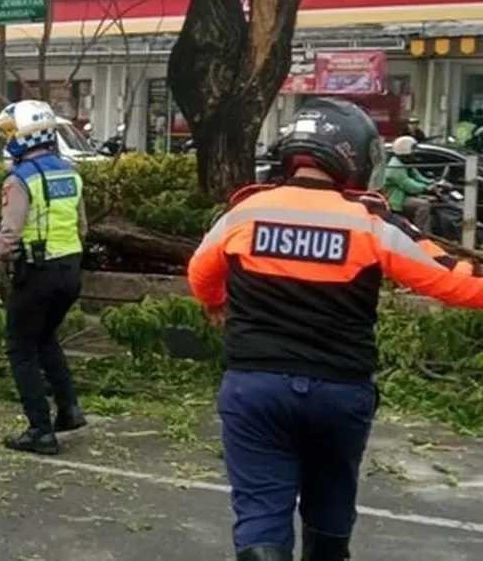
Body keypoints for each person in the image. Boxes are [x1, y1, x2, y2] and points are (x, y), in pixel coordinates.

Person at [187, 97, 483, 561]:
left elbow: (200, 273)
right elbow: (453, 282)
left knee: (262, 512)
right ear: (354, 157)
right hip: (339, 392)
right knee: (330, 507)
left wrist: (215, 301)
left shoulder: (244, 213)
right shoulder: (369, 221)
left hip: (255, 388)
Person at [0, 99, 88, 456]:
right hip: (70, 270)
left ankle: (40, 430)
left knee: (20, 348)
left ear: (25, 136)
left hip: (38, 275)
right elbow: (81, 227)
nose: (6, 141)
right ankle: (69, 409)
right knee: (45, 339)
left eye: (9, 134)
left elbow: (9, 234)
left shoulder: (20, 179)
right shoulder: (69, 173)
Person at [384, 135, 433, 232]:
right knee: (424, 205)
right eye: (412, 150)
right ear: (405, 150)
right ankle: (417, 233)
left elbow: (417, 177)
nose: (414, 153)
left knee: (432, 201)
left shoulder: (405, 163)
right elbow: (408, 184)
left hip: (404, 194)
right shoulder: (395, 166)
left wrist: (431, 183)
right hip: (395, 199)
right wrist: (426, 188)